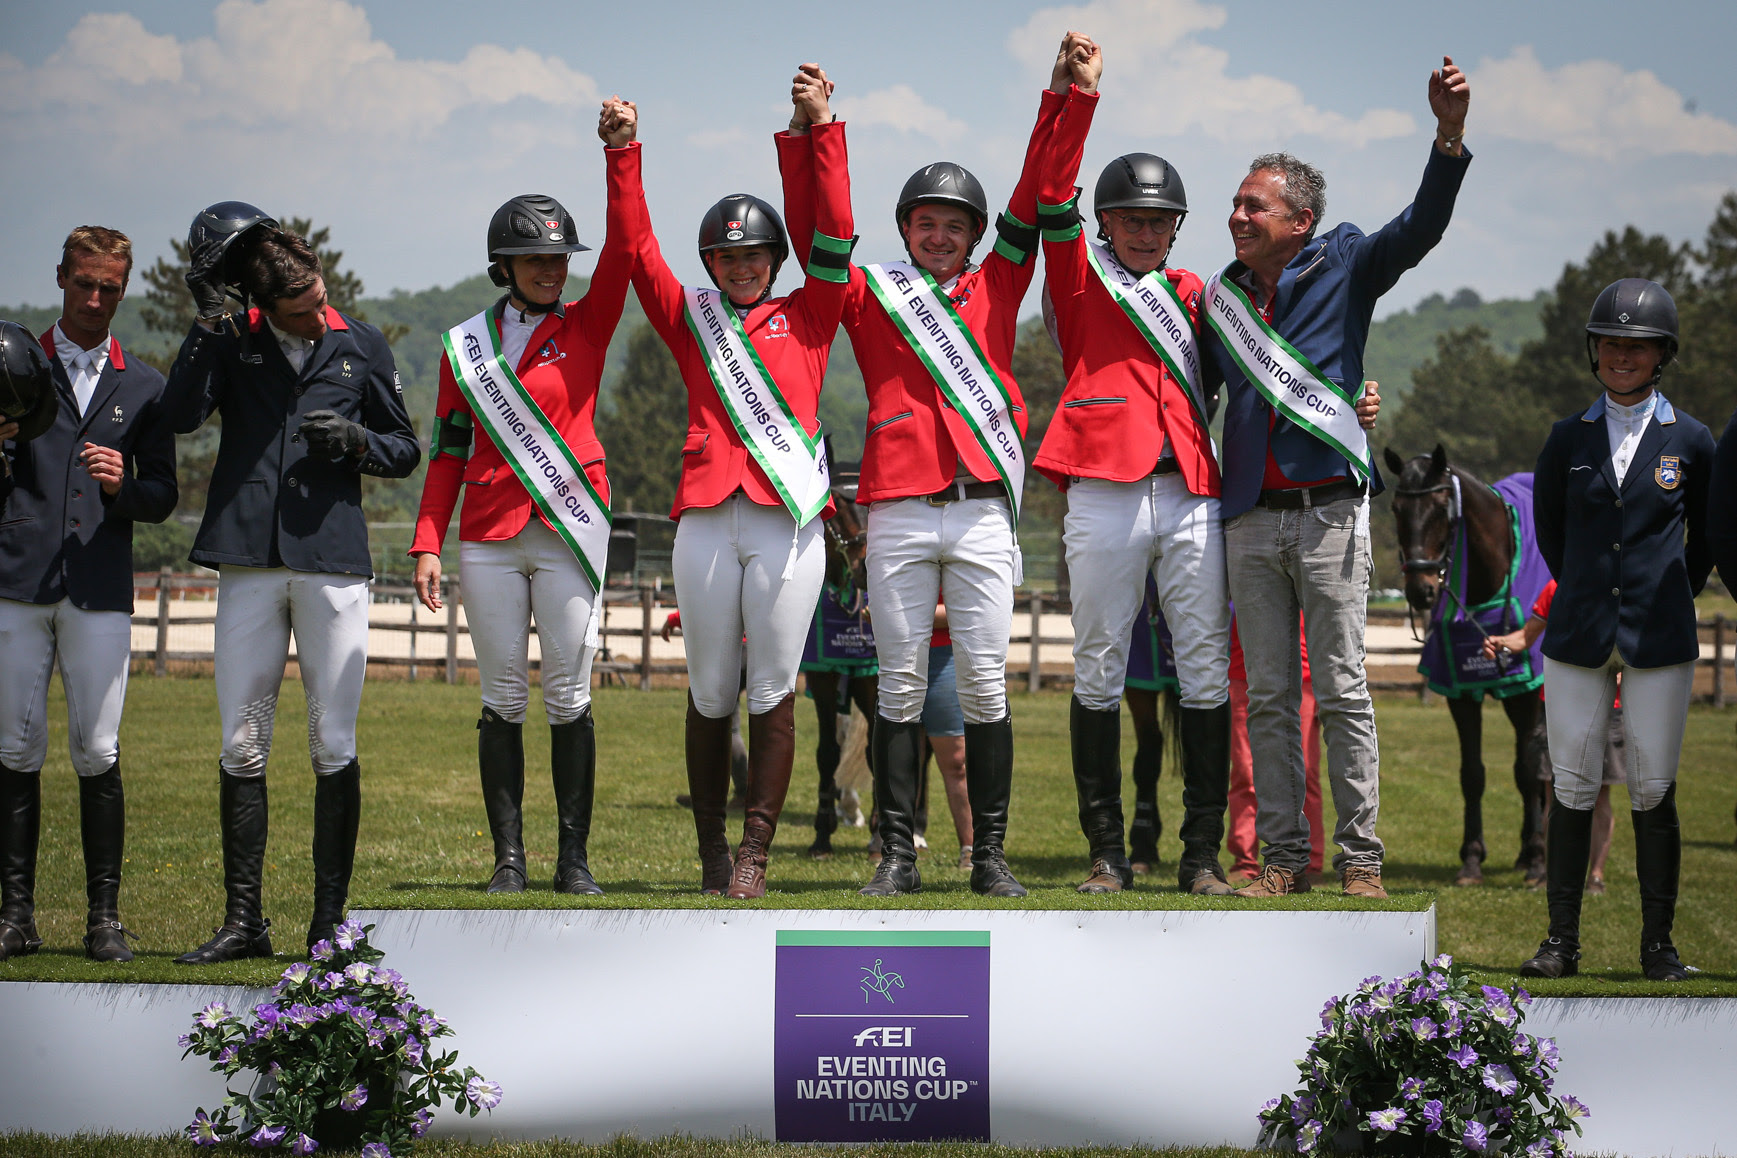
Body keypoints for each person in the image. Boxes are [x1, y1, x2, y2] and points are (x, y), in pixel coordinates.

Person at [817, 37, 1083, 899]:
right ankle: (896, 854)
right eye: (925, 223)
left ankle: (990, 856)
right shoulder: (868, 294)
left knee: (981, 683)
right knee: (896, 683)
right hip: (894, 504)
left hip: (978, 511)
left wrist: (1065, 99)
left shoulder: (999, 282)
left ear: (974, 235)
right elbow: (822, 230)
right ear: (906, 233)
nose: (939, 234)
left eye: (953, 224)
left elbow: (1036, 192)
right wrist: (819, 132)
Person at [1204, 57, 1470, 899]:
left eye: (1254, 205)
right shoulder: (1223, 300)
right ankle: (1281, 861)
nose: (1236, 216)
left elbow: (1420, 227)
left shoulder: (1347, 260)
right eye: (1237, 203)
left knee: (1345, 694)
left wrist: (1449, 137)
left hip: (1327, 514)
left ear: (1300, 219)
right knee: (1271, 700)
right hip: (1248, 517)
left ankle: (1361, 859)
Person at [167, 209, 420, 962]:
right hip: (248, 560)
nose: (320, 311)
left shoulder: (361, 343)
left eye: (320, 295)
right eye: (303, 308)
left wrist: (359, 443)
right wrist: (206, 328)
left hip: (331, 563)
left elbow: (405, 446)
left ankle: (328, 925)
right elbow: (181, 414)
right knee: (242, 744)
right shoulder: (233, 341)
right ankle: (244, 921)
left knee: (330, 741)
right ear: (262, 307)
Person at [410, 101, 643, 897]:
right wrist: (427, 539)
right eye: (533, 259)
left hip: (569, 529)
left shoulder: (591, 321)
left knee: (569, 694)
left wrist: (621, 154)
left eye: (557, 259)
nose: (551, 270)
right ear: (502, 264)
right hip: (487, 533)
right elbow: (445, 450)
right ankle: (508, 859)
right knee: (503, 695)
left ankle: (571, 859)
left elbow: (625, 249)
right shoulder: (462, 347)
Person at [631, 65, 851, 898]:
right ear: (711, 263)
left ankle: (756, 852)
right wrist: (625, 156)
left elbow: (833, 229)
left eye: (755, 254)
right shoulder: (691, 317)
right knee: (710, 687)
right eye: (726, 256)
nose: (742, 266)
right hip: (703, 519)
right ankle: (711, 851)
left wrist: (818, 128)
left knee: (774, 687)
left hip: (785, 520)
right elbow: (635, 251)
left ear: (773, 259)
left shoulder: (812, 310)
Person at [1032, 34, 1240, 895]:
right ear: (1105, 223)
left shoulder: (1197, 294)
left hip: (1188, 492)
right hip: (1103, 493)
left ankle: (1198, 855)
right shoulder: (1079, 278)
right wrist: (1073, 98)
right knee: (1098, 668)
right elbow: (1048, 195)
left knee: (1200, 669)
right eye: (1131, 219)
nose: (1147, 232)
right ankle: (1106, 854)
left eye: (1159, 221)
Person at [1521, 278, 1712, 982]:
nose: (1620, 356)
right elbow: (1550, 530)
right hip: (1578, 633)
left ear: (1660, 353)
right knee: (1570, 781)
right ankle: (1559, 941)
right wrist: (1585, 592)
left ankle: (1657, 946)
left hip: (1658, 635)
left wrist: (1671, 591)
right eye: (1609, 343)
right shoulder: (1564, 437)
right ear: (1592, 351)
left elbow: (1706, 534)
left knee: (1652, 787)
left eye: (1635, 346)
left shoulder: (1690, 438)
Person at [0, 228, 178, 963]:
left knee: (96, 750)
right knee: (14, 748)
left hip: (99, 590)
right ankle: (16, 916)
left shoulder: (145, 385)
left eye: (110, 287)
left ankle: (103, 917)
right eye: (84, 283)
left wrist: (123, 486)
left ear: (124, 289)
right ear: (61, 280)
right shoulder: (13, 365)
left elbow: (161, 495)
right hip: (16, 582)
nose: (96, 299)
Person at [1485, 579, 1620, 895]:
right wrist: (1501, 642)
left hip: (1607, 701)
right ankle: (1551, 873)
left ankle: (1595, 877)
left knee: (1600, 795)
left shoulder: (1617, 585)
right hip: (1557, 702)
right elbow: (1526, 637)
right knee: (1554, 792)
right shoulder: (1555, 586)